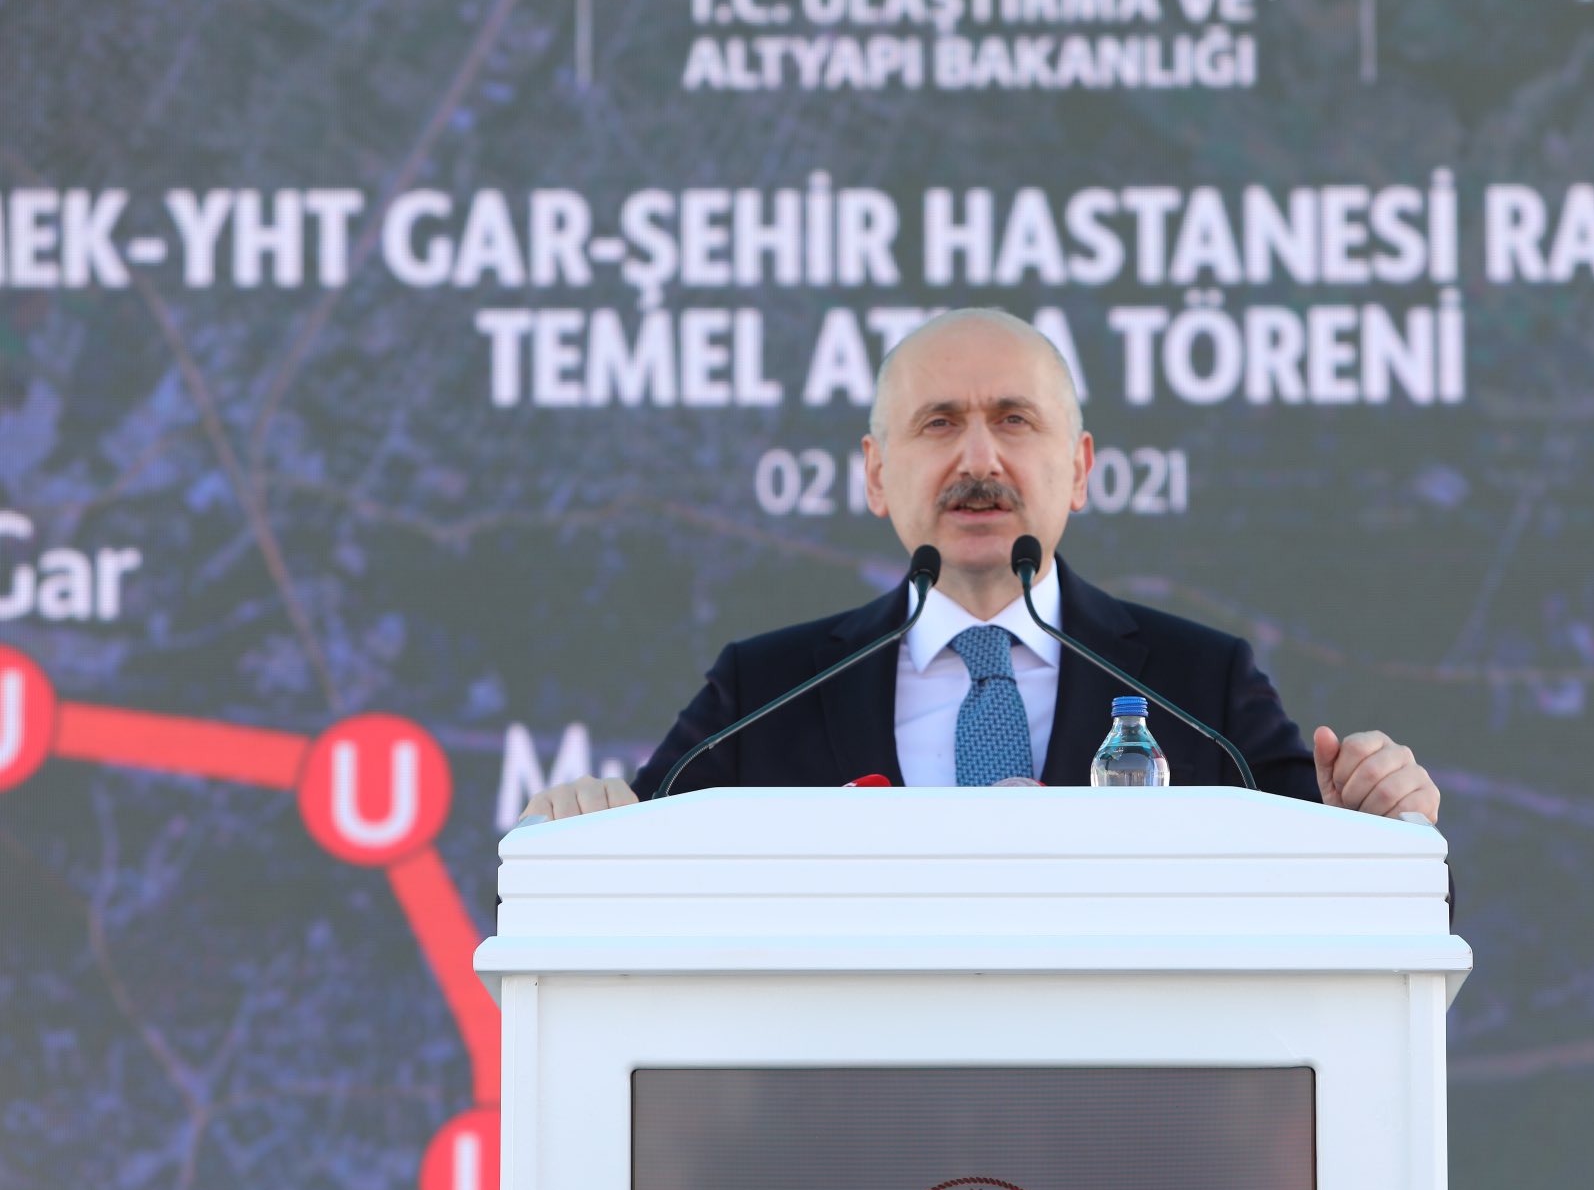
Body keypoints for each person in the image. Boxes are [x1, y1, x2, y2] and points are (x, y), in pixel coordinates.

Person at [517, 307, 1440, 825]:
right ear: (877, 475)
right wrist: (568, 842)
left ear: (1078, 469)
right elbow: (605, 906)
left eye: (1013, 420)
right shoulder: (765, 693)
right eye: (938, 423)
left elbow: (1355, 907)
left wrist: (1377, 826)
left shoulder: (1202, 686)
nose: (979, 460)